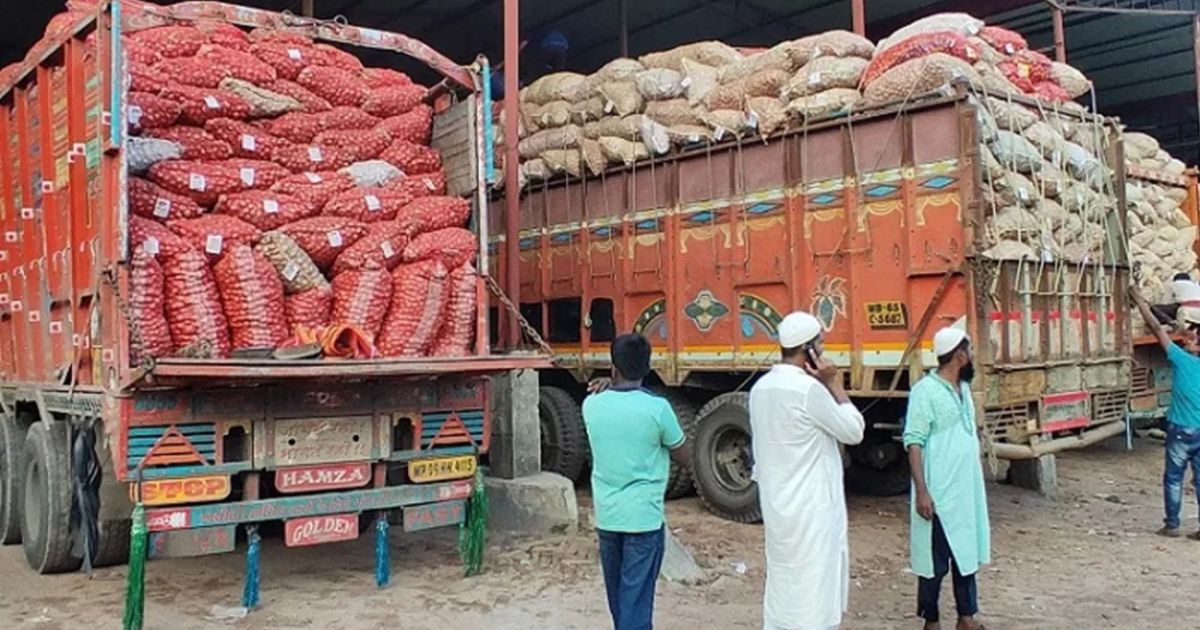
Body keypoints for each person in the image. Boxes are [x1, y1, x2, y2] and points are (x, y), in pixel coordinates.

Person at [748, 311, 865, 630]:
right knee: (813, 592)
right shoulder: (807, 391)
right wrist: (835, 384)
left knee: (785, 582)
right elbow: (854, 431)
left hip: (778, 506)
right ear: (809, 351)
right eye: (821, 345)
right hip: (811, 509)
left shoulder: (761, 389)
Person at [583, 333, 690, 630]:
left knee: (619, 601)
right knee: (637, 601)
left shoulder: (591, 406)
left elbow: (610, 401)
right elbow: (684, 454)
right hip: (644, 519)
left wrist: (607, 385)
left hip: (608, 518)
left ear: (612, 368)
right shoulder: (658, 409)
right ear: (647, 368)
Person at [903, 325, 990, 630]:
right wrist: (922, 491)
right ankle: (932, 620)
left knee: (965, 555)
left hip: (964, 492)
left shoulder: (963, 390)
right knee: (934, 564)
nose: (972, 357)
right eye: (968, 351)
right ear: (958, 356)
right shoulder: (924, 392)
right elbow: (914, 442)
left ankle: (967, 617)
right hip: (938, 491)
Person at [1132, 282, 1200, 539]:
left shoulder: (1182, 360)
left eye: (1193, 337)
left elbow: (1157, 329)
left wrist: (1140, 302)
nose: (1188, 338)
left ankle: (1172, 524)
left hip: (1181, 429)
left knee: (1173, 477)